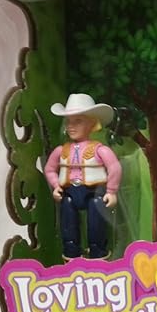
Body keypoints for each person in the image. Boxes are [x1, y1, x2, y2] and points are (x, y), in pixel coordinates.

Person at [44, 93, 122, 260]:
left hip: (94, 192)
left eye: (78, 121)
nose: (71, 126)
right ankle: (71, 252)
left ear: (92, 124)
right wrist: (56, 185)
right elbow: (50, 169)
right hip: (69, 192)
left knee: (96, 217)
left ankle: (98, 251)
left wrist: (111, 191)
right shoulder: (61, 150)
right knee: (68, 217)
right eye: (69, 121)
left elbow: (114, 167)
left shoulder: (100, 150)